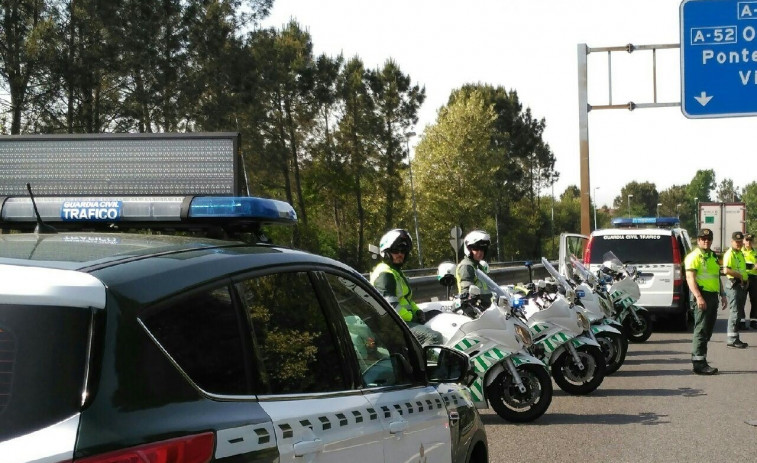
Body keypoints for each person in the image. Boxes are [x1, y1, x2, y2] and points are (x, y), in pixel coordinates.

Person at [370, 229, 443, 346]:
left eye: (403, 251)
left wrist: (418, 312)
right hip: (391, 326)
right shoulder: (385, 274)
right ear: (386, 252)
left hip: (402, 322)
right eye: (395, 250)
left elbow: (407, 300)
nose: (400, 254)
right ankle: (421, 364)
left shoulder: (396, 272)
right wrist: (414, 318)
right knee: (434, 337)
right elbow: (391, 307)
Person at [684, 228, 728, 375]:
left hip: (712, 296)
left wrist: (722, 294)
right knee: (701, 330)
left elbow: (716, 276)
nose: (706, 241)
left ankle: (701, 358)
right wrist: (698, 297)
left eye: (708, 239)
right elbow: (690, 279)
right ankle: (698, 364)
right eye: (703, 239)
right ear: (698, 240)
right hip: (702, 295)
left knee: (707, 330)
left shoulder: (713, 256)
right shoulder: (693, 257)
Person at [722, 231, 750, 347]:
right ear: (732, 242)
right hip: (734, 285)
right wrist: (740, 277)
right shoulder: (730, 254)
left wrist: (746, 279)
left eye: (740, 241)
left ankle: (735, 337)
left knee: (739, 313)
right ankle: (732, 340)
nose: (738, 244)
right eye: (736, 242)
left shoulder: (739, 253)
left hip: (741, 285)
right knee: (735, 312)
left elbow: (743, 268)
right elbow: (726, 270)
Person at [456, 230, 492, 303]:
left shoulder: (478, 265)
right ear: (468, 249)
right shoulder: (466, 266)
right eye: (476, 248)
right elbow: (466, 290)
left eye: (483, 249)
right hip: (474, 308)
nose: (480, 252)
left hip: (485, 306)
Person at [742, 233, 757, 329]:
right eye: (747, 240)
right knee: (741, 300)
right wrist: (752, 266)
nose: (748, 242)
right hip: (743, 278)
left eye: (750, 240)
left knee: (755, 300)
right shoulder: (740, 252)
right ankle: (742, 321)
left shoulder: (755, 252)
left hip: (754, 278)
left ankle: (753, 321)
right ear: (743, 241)